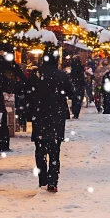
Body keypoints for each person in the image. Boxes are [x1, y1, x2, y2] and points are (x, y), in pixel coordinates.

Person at [32, 49, 73, 192]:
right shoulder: (62, 76)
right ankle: (53, 181)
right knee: (55, 150)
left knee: (40, 151)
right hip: (57, 116)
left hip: (40, 115)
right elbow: (70, 93)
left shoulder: (37, 74)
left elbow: (29, 92)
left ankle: (42, 179)